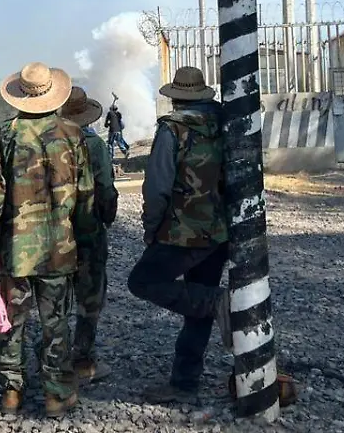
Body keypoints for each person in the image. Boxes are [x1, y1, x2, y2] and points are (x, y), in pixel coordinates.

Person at [0, 61, 98, 418]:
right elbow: (86, 194)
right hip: (60, 248)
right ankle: (56, 395)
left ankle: (11, 393)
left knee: (11, 320)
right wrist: (87, 242)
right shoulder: (73, 134)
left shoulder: (5, 134)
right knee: (55, 321)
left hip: (15, 247)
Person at [127, 66, 232, 405]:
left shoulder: (172, 129)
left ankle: (217, 302)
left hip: (182, 232)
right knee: (197, 300)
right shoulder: (226, 123)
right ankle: (185, 382)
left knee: (142, 282)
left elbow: (157, 187)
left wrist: (151, 229)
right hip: (219, 231)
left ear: (175, 98)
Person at [59, 87, 119, 383]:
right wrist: (106, 218)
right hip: (87, 230)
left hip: (51, 232)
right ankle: (82, 360)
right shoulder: (94, 145)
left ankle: (53, 360)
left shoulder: (48, 139)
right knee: (90, 297)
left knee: (55, 298)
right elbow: (106, 189)